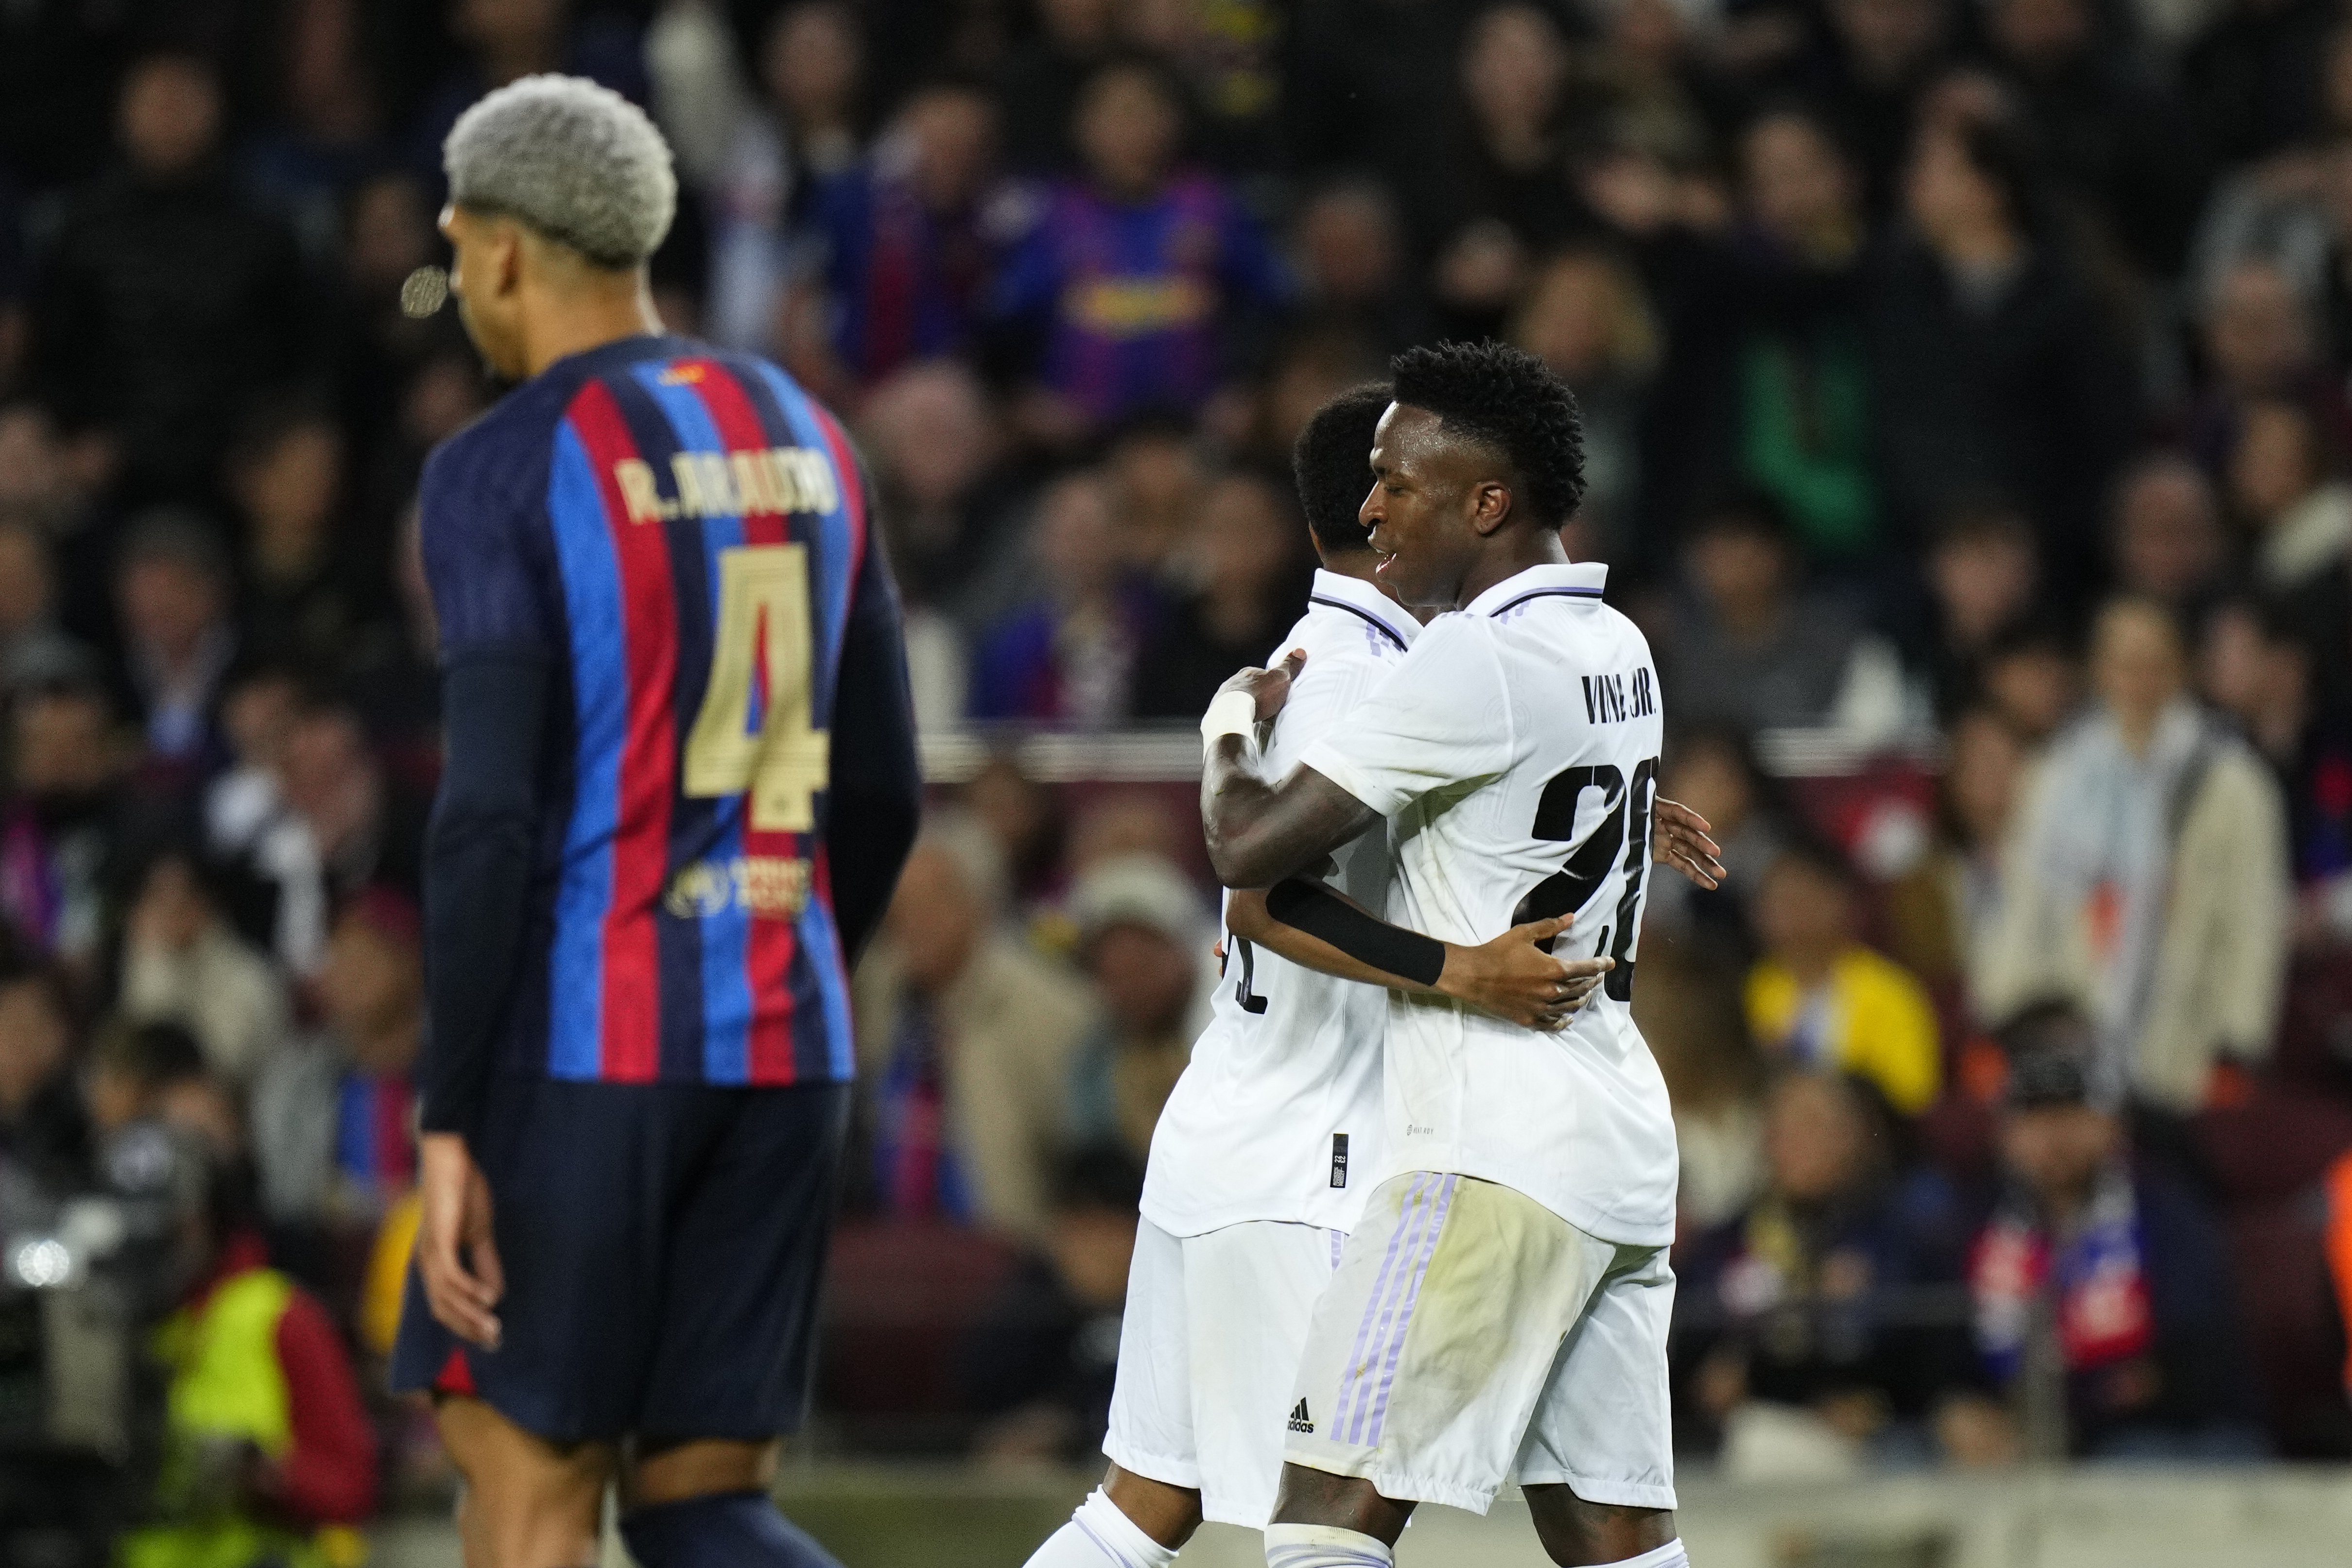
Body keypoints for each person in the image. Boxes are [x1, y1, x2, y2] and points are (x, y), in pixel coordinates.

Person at [1022, 376, 1717, 1568]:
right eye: (1375, 484)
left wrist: (1226, 726)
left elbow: (1249, 866)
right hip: (1602, 1144)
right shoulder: (1618, 643)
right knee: (1613, 1537)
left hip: (1448, 1149)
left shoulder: (1432, 666)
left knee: (1304, 1526)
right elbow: (1536, 787)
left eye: (1401, 483)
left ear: (1484, 500)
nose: (1380, 506)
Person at [386, 77, 920, 1568]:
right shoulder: (807, 431)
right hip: (784, 1034)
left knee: (523, 1483)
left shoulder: (500, 464)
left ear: (491, 249)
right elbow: (882, 789)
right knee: (704, 1502)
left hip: (586, 1051)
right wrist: (787, 945)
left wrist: (447, 1112)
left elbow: (486, 817)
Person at [1979, 597, 2292, 1112]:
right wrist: (2005, 1009)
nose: (2138, 681)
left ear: (2182, 669)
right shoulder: (2057, 777)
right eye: (2124, 664)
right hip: (2072, 1024)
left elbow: (2254, 918)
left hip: (2184, 1029)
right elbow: (2023, 903)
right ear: (2098, 671)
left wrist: (2239, 1041)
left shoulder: (2231, 783)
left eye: (2154, 664)